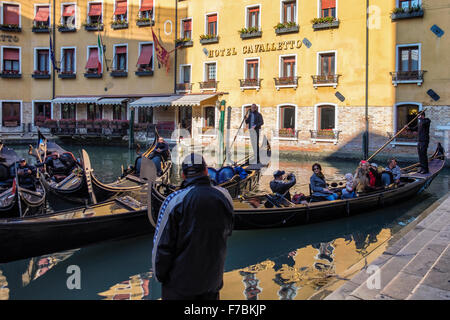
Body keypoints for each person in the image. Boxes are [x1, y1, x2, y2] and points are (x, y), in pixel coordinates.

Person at [152, 153, 234, 300]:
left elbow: (161, 248)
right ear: (206, 171)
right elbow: (228, 231)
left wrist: (160, 277)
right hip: (212, 283)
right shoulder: (225, 196)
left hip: (179, 287)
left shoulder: (173, 201)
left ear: (183, 175)